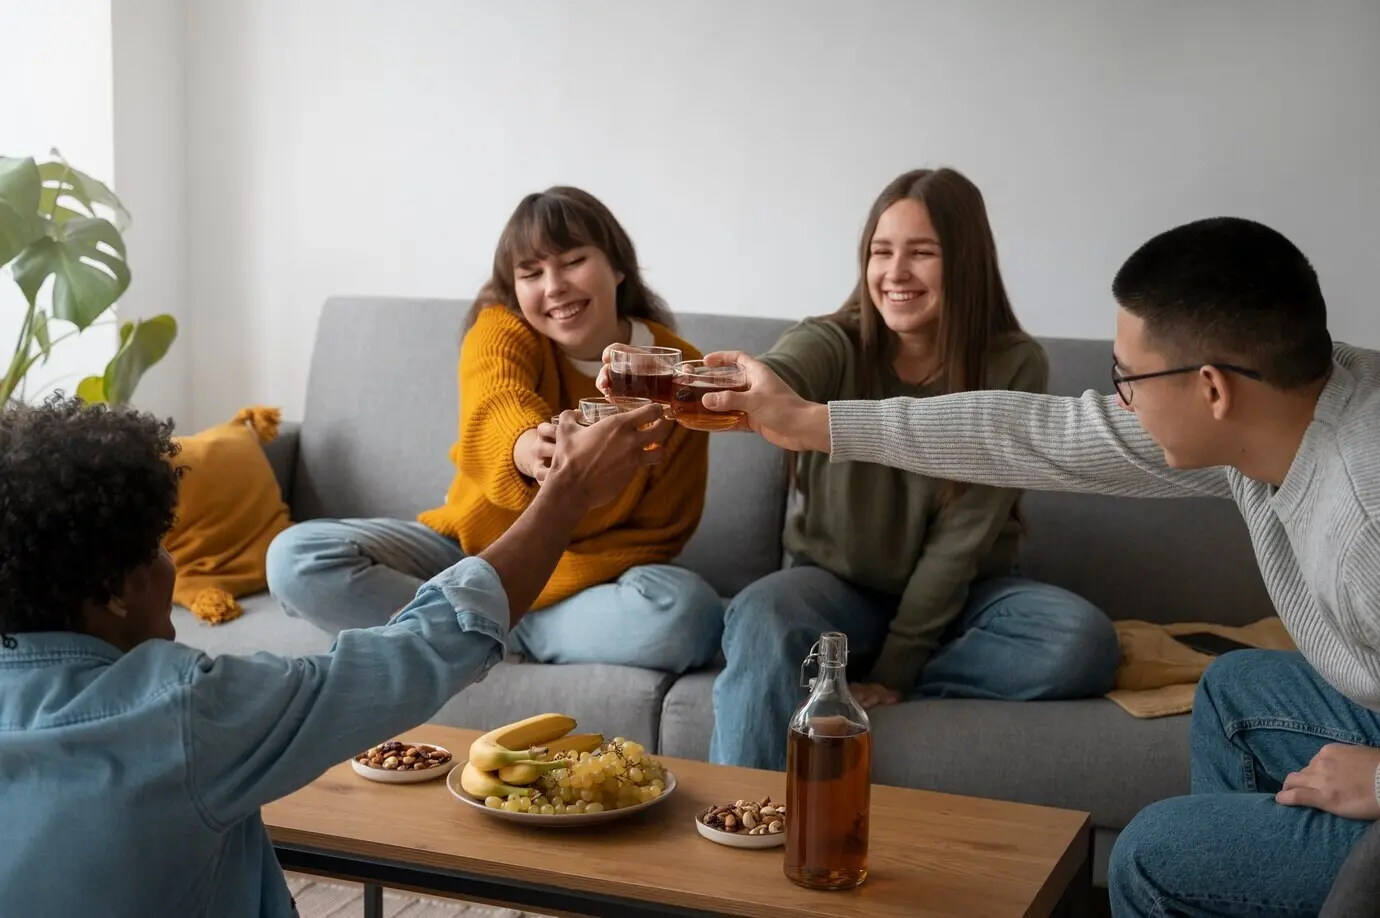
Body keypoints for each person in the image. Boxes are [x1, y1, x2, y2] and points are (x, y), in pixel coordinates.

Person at [696, 215, 1380, 915]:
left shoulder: (1364, 522)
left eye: (1129, 376)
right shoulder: (1290, 401)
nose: (1120, 399)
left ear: (1212, 390)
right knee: (1237, 689)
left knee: (1154, 853)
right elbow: (1036, 435)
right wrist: (813, 423)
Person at [0, 392, 669, 915]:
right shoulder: (186, 714)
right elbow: (427, 646)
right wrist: (567, 495)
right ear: (115, 589)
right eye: (155, 548)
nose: (172, 563)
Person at [600, 168, 1119, 771]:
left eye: (922, 253)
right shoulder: (833, 341)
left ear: (968, 263)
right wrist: (699, 385)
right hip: (833, 588)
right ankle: (743, 815)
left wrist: (899, 666)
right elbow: (780, 373)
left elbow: (964, 539)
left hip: (966, 597)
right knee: (763, 612)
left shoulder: (1014, 362)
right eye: (881, 251)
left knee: (1080, 642)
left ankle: (840, 676)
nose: (895, 273)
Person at [267, 185, 723, 675]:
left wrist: (530, 589)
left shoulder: (679, 370)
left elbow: (661, 530)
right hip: (468, 555)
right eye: (531, 273)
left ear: (617, 265)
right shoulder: (502, 328)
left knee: (688, 612)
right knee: (296, 557)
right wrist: (530, 450)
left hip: (587, 584)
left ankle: (480, 632)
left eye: (572, 261)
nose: (553, 287)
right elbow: (496, 400)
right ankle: (496, 629)